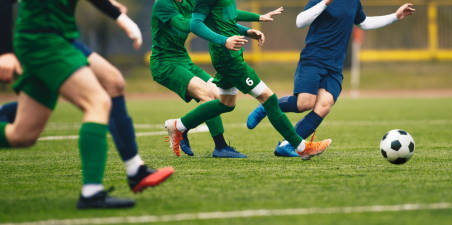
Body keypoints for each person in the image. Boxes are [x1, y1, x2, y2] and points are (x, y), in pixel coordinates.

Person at [0, 0, 172, 209]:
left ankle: (136, 169)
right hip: (42, 40)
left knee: (21, 135)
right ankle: (92, 193)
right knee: (98, 102)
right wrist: (4, 52)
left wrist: (118, 15)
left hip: (61, 38)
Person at [162, 0, 332, 160]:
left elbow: (225, 17)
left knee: (226, 103)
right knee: (269, 99)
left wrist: (247, 30)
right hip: (228, 58)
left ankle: (179, 126)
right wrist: (224, 40)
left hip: (230, 54)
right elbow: (196, 23)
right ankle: (301, 147)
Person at [246, 0, 415, 157]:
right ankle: (268, 107)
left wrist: (395, 16)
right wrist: (325, 2)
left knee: (324, 105)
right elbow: (300, 21)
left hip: (334, 67)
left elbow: (363, 23)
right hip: (313, 59)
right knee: (304, 103)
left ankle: (287, 146)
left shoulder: (354, 2)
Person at [151, 0, 283, 158]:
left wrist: (250, 26)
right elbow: (188, 25)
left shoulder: (189, 2)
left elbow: (219, 16)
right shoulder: (163, 4)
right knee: (206, 95)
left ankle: (181, 128)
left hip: (183, 60)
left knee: (218, 96)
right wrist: (220, 35)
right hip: (164, 63)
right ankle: (219, 146)